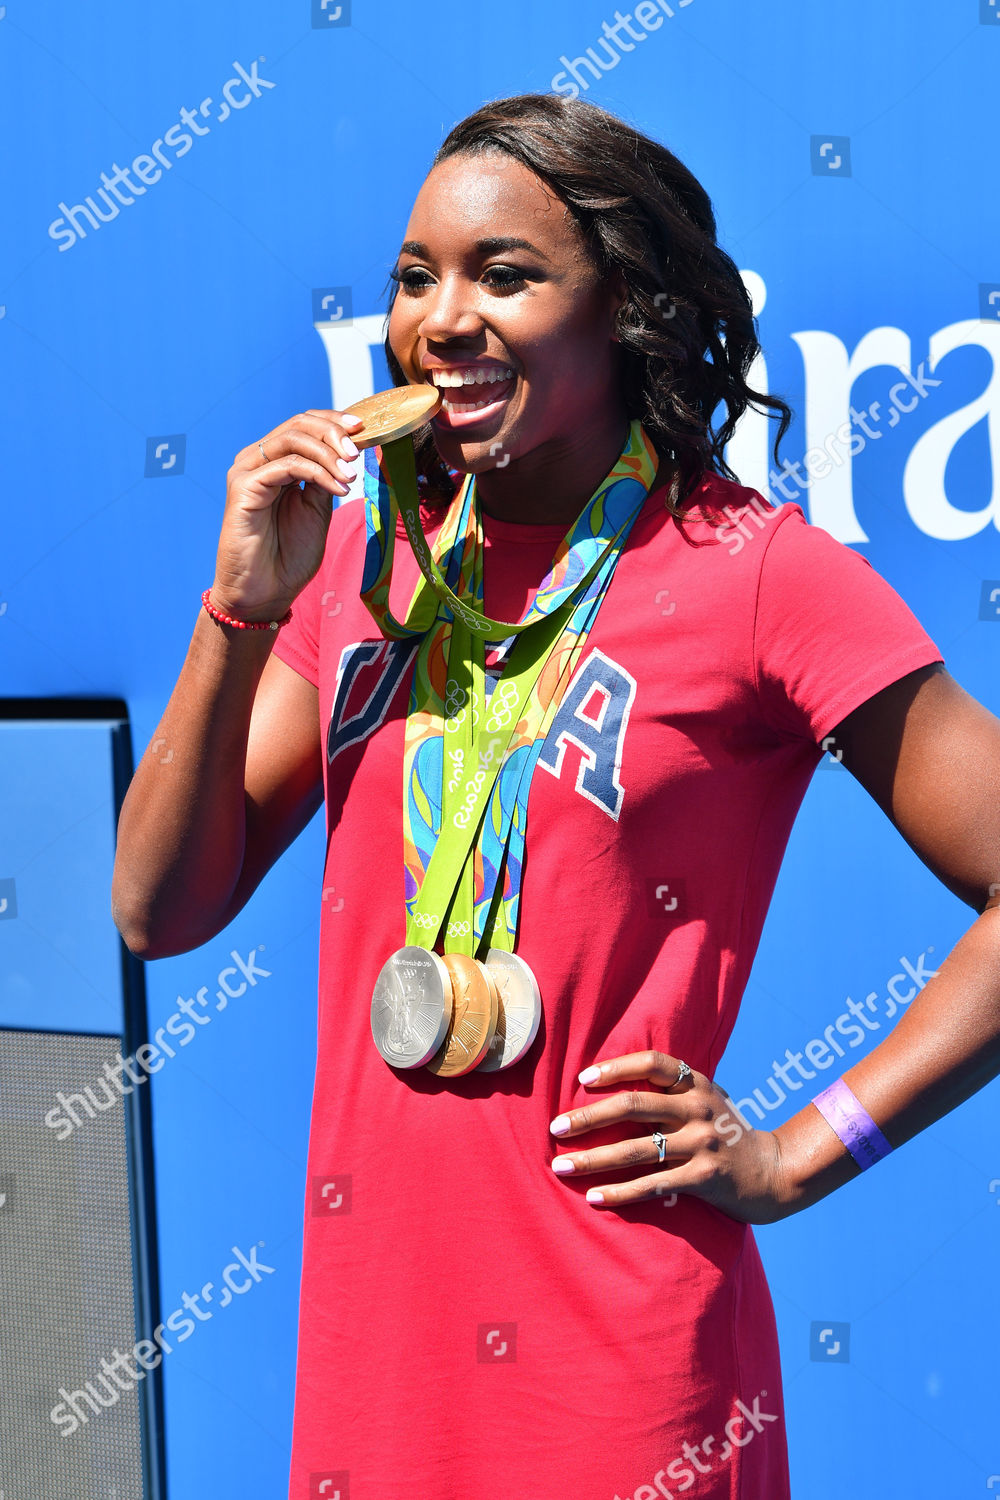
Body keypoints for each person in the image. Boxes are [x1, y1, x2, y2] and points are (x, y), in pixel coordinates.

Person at [112, 92, 1000, 1500]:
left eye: (504, 274)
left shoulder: (752, 568)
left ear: (628, 307)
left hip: (628, 1367)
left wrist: (795, 1154)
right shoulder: (358, 565)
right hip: (378, 1346)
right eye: (418, 277)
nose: (444, 318)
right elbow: (161, 909)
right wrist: (234, 616)